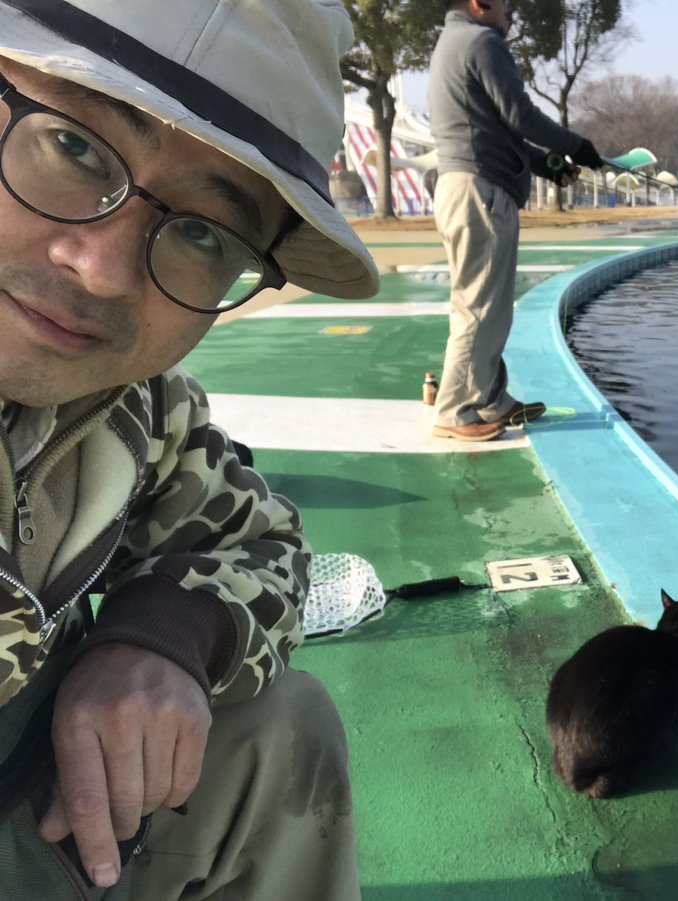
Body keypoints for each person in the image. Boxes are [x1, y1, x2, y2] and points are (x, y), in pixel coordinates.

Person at [0, 1, 379, 897]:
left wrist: (162, 633)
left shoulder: (136, 409)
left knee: (281, 729)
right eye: (74, 147)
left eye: (205, 232)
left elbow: (264, 544)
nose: (103, 270)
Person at [428, 0, 606, 441]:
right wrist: (576, 145)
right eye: (506, 2)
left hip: (468, 187)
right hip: (480, 191)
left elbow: (500, 129)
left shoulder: (454, 42)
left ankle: (490, 398)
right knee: (479, 307)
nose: (511, 12)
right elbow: (520, 114)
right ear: (479, 3)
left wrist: (548, 165)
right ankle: (454, 410)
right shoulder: (481, 41)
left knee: (488, 306)